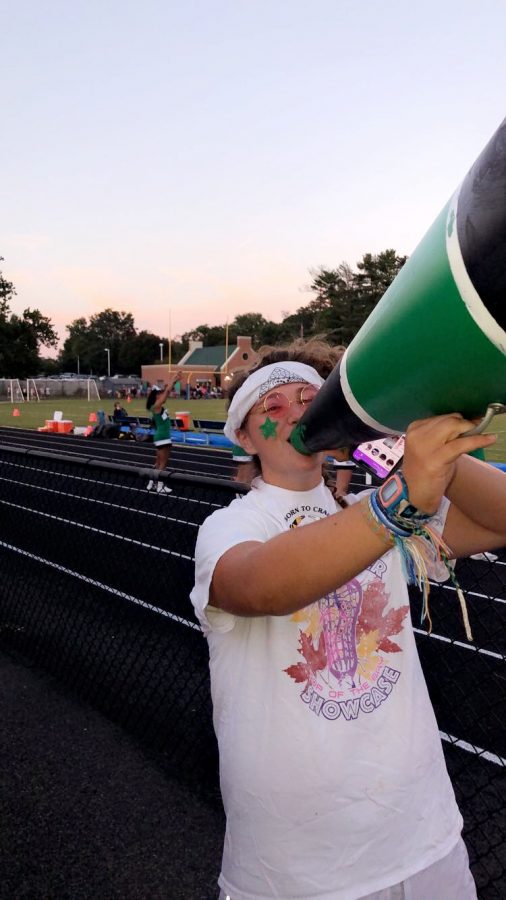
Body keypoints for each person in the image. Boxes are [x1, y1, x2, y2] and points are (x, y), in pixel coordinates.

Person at [191, 341, 506, 900]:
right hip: (301, 870)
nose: (294, 413)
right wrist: (396, 504)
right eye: (273, 407)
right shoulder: (229, 527)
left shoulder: (371, 509)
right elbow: (259, 585)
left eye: (309, 400)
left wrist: (437, 458)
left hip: (423, 835)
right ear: (243, 436)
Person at [145, 371, 182, 494]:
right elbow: (167, 392)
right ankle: (160, 485)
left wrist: (175, 381)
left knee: (158, 462)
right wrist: (173, 379)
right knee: (163, 463)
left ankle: (151, 483)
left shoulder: (158, 407)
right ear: (156, 397)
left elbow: (166, 393)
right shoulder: (156, 406)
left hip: (161, 436)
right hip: (163, 437)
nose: (162, 395)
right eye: (159, 394)